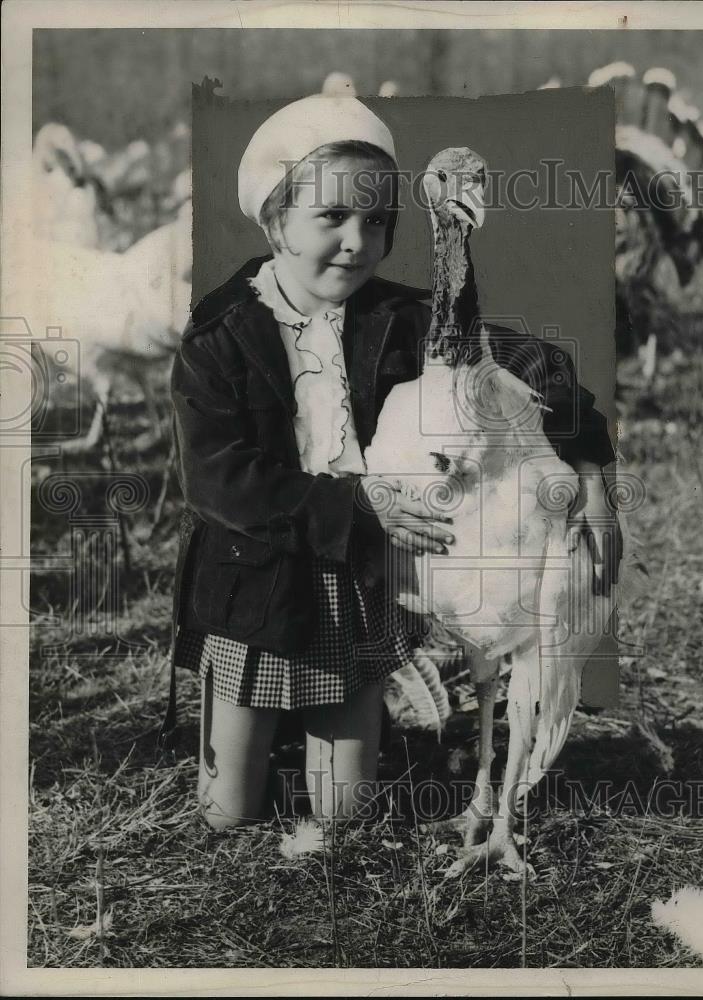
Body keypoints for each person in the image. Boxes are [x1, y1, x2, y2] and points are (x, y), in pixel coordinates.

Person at [164, 94, 618, 831]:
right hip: (255, 580)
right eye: (332, 218)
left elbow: (540, 365)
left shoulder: (399, 320)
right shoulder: (222, 338)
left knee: (345, 815)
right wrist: (355, 504)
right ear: (276, 220)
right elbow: (217, 479)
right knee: (226, 815)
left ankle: (349, 729)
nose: (356, 241)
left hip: (356, 581)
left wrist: (591, 474)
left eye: (376, 222)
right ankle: (257, 735)